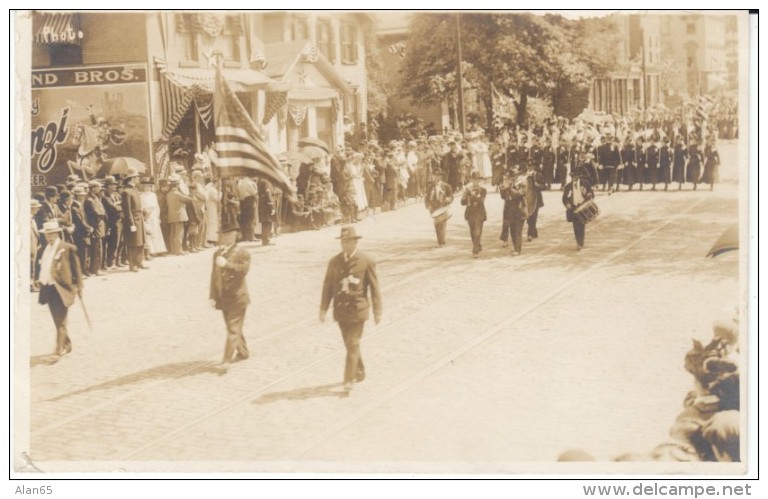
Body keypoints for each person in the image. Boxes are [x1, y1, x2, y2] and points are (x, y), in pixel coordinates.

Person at [319, 225, 382, 392]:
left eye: (348, 241)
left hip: (358, 310)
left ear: (355, 242)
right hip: (341, 311)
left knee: (352, 343)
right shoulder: (334, 262)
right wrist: (323, 308)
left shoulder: (366, 261)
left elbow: (374, 288)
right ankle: (359, 370)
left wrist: (377, 310)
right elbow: (328, 286)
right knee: (350, 344)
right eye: (342, 242)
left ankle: (349, 379)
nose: (344, 245)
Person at [34, 220, 83, 358]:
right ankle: (67, 344)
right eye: (47, 235)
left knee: (61, 320)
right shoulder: (43, 249)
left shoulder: (67, 248)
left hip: (62, 289)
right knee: (57, 320)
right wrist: (38, 279)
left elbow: (77, 270)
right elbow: (41, 266)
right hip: (48, 288)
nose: (49, 237)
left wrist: (79, 287)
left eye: (51, 234)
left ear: (57, 233)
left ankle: (59, 349)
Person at [209, 223, 251, 367]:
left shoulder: (243, 253)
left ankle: (226, 361)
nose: (222, 238)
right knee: (232, 327)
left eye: (225, 235)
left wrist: (226, 265)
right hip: (223, 297)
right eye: (221, 235)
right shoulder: (217, 254)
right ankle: (243, 352)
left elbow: (243, 270)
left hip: (238, 297)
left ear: (233, 236)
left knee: (233, 329)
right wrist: (212, 296)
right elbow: (213, 276)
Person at [562, 167, 595, 251]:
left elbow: (591, 193)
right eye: (572, 176)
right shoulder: (568, 186)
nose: (573, 178)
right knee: (575, 226)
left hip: (583, 207)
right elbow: (564, 198)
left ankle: (580, 242)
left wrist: (589, 195)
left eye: (575, 176)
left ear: (578, 176)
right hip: (573, 208)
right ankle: (578, 241)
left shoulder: (585, 183)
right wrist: (567, 204)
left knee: (581, 224)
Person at [121, 168, 147, 272]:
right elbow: (127, 210)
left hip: (139, 218)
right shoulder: (126, 192)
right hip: (133, 220)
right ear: (132, 178)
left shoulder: (135, 190)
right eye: (137, 177)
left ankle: (140, 262)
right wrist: (131, 223)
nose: (138, 179)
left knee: (141, 242)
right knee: (133, 243)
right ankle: (133, 265)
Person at [500, 170, 528, 256]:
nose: (510, 179)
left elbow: (517, 195)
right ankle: (515, 247)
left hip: (519, 211)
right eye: (509, 178)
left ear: (516, 177)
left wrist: (508, 188)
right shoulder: (509, 185)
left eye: (512, 177)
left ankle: (517, 250)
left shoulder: (522, 184)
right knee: (512, 231)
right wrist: (502, 190)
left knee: (517, 231)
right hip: (509, 212)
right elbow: (504, 197)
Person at [83, 179, 107, 276]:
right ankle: (95, 269)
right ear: (93, 188)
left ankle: (96, 268)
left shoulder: (95, 198)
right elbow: (97, 212)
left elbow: (102, 210)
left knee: (99, 247)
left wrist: (101, 211)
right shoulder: (89, 199)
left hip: (99, 226)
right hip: (95, 226)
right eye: (98, 187)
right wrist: (101, 212)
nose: (100, 188)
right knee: (96, 248)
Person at [461, 171, 487, 258]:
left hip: (479, 214)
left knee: (477, 232)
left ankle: (475, 251)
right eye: (474, 179)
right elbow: (462, 202)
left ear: (479, 181)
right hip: (470, 214)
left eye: (477, 180)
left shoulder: (483, 190)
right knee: (473, 233)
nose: (475, 181)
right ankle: (477, 245)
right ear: (471, 180)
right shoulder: (468, 190)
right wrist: (465, 194)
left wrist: (472, 195)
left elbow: (480, 201)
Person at [139, 177, 167, 257]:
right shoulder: (141, 195)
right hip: (147, 215)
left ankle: (159, 249)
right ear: (143, 187)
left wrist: (158, 216)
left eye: (149, 186)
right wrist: (145, 213)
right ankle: (150, 251)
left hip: (154, 215)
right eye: (146, 186)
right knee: (149, 232)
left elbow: (157, 206)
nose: (148, 187)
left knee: (156, 231)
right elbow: (141, 206)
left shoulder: (153, 195)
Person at [424, 171, 453, 248]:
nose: (436, 177)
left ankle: (442, 242)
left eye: (438, 175)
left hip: (443, 207)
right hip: (434, 208)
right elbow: (426, 198)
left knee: (442, 224)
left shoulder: (446, 186)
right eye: (435, 175)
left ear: (441, 177)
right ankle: (440, 242)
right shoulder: (430, 186)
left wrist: (448, 199)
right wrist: (428, 205)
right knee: (436, 224)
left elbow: (451, 196)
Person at [165, 174, 192, 255]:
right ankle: (179, 250)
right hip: (179, 216)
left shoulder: (168, 194)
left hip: (171, 216)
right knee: (179, 234)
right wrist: (185, 191)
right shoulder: (177, 193)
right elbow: (188, 200)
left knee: (173, 234)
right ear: (177, 184)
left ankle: (173, 250)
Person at [101, 176, 124, 268]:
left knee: (121, 241)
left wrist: (118, 205)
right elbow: (113, 208)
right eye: (113, 185)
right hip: (112, 222)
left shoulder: (116, 195)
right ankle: (111, 262)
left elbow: (121, 205)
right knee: (113, 242)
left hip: (120, 220)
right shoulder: (104, 197)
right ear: (108, 186)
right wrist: (119, 205)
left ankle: (118, 260)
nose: (115, 186)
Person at [257, 179, 276, 246]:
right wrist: (272, 207)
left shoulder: (260, 181)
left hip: (262, 204)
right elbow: (268, 195)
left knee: (264, 223)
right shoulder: (266, 181)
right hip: (267, 205)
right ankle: (266, 240)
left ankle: (265, 239)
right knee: (268, 222)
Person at [204, 174, 220, 244]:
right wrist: (221, 193)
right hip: (211, 206)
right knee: (212, 222)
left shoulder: (208, 187)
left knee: (211, 222)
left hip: (209, 206)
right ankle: (212, 238)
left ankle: (211, 237)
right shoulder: (212, 189)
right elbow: (217, 199)